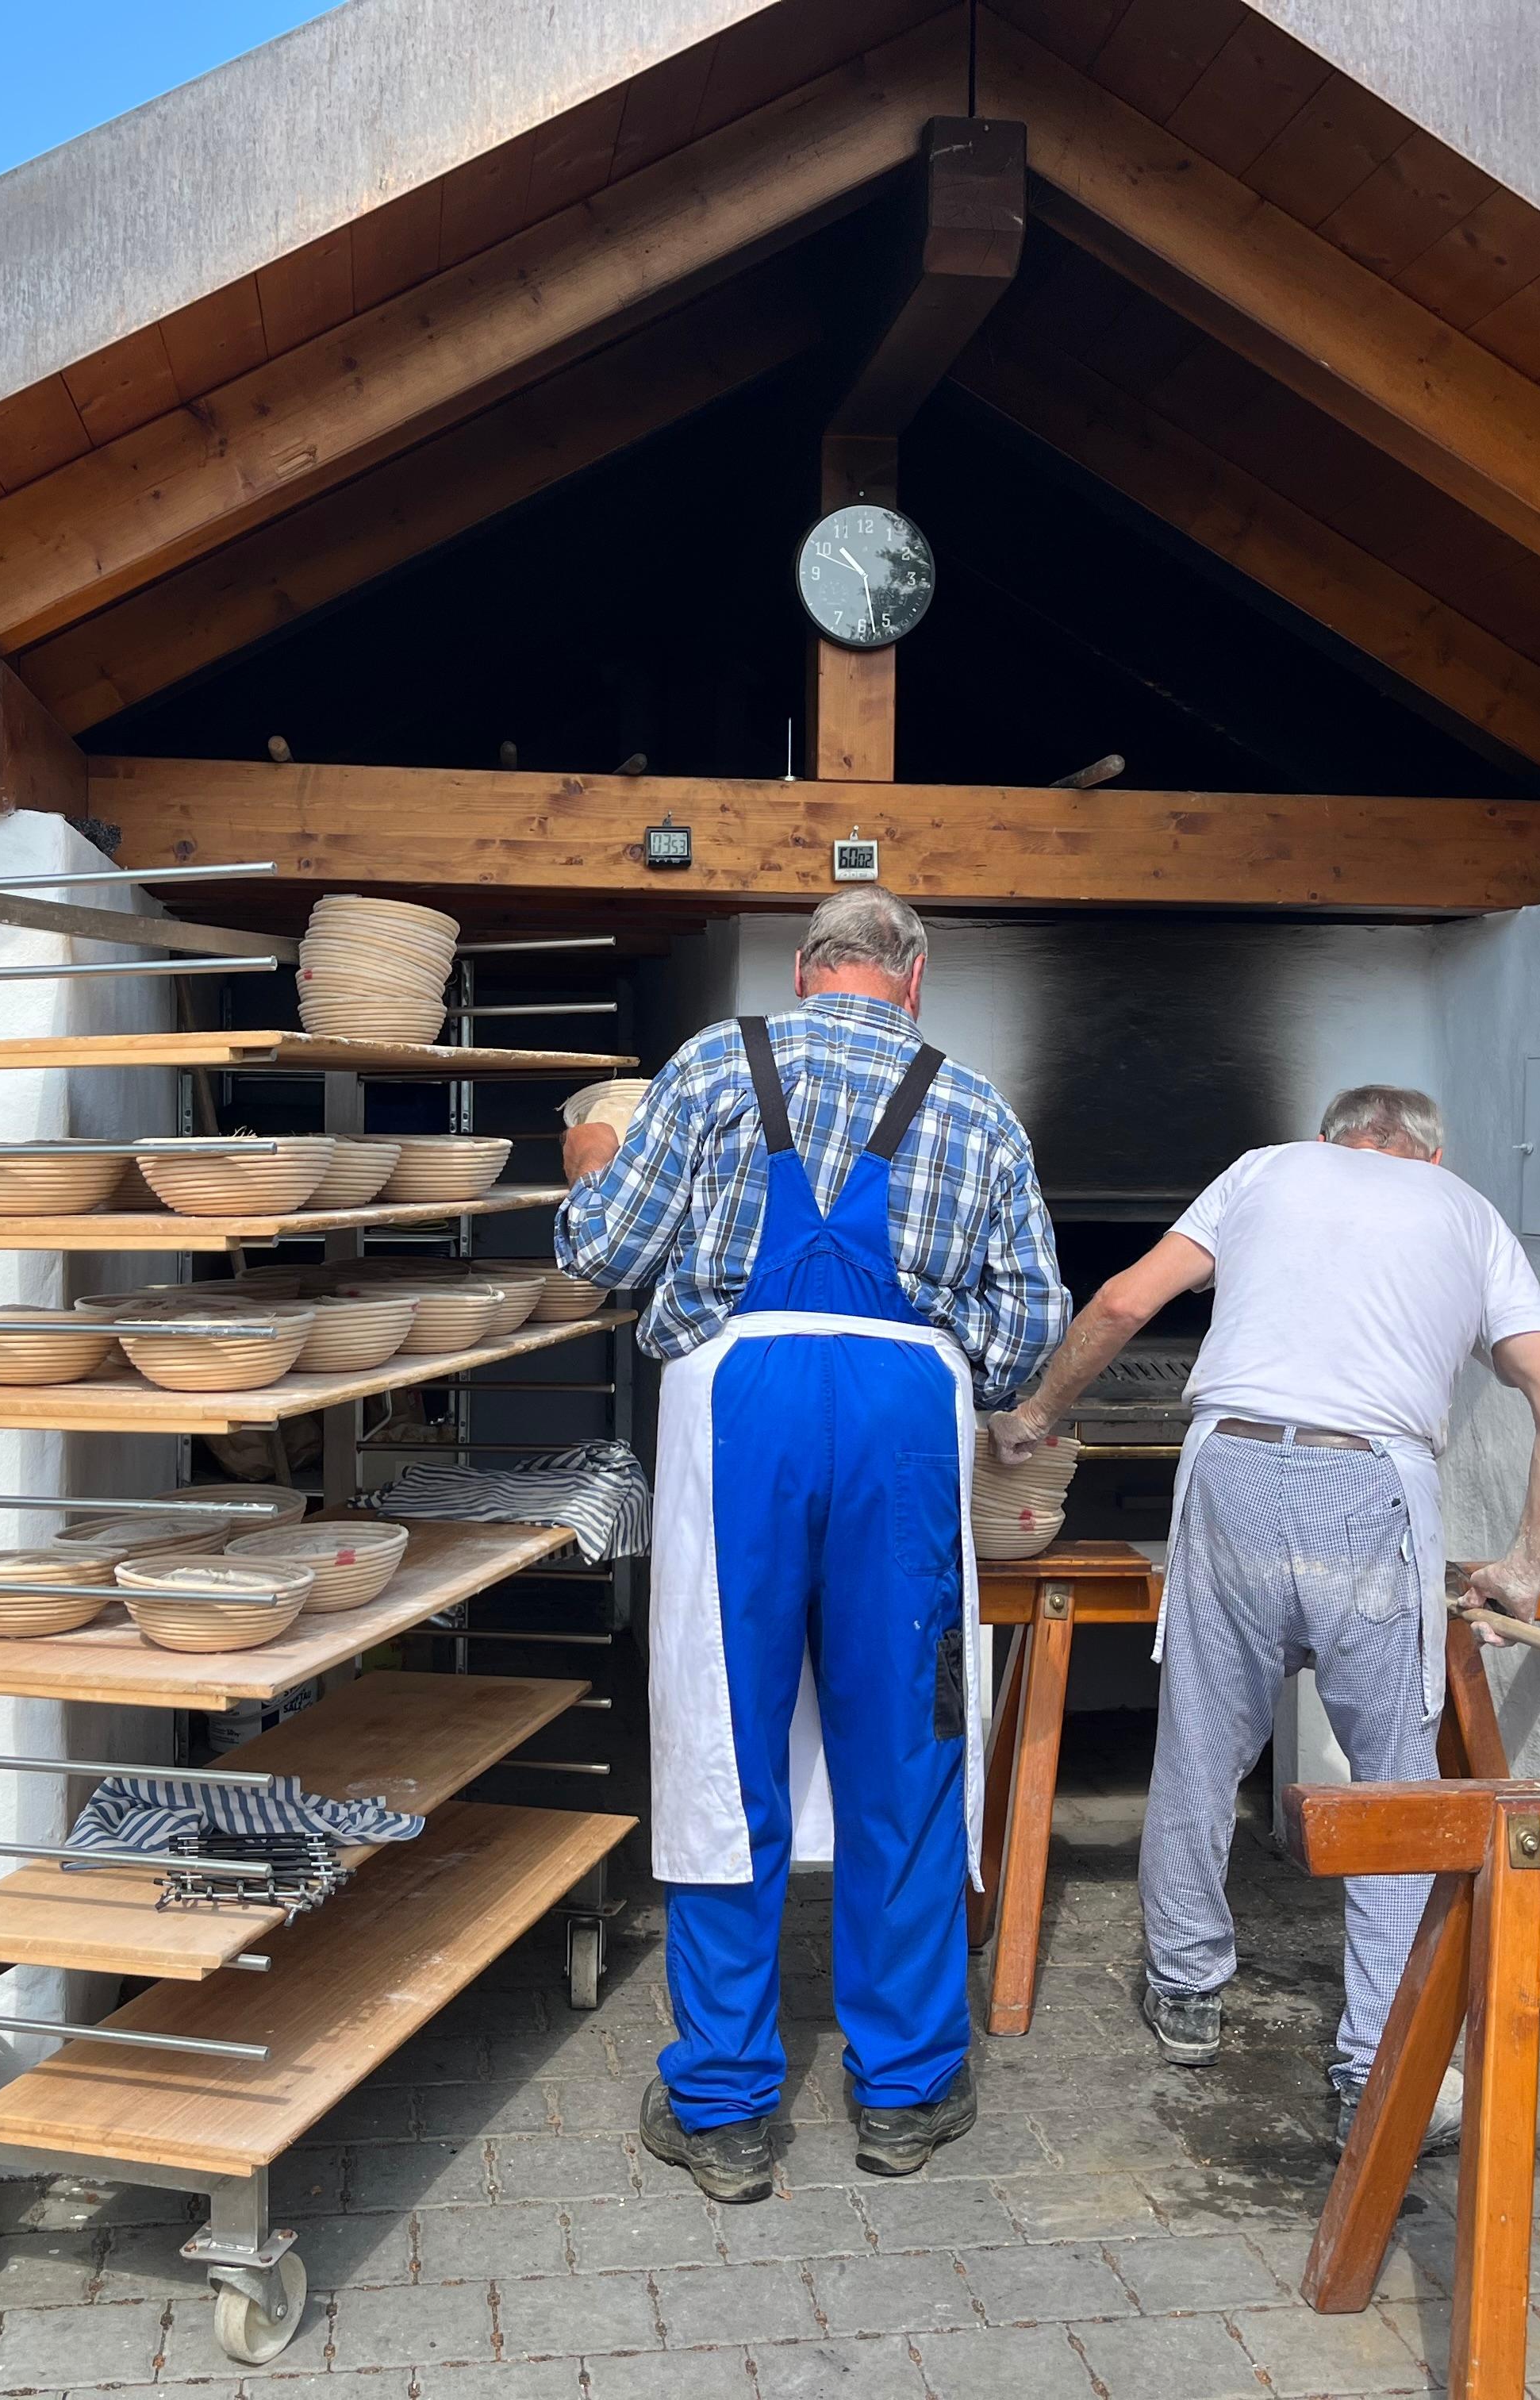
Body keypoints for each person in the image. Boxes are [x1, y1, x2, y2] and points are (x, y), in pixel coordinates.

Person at [556, 887, 1067, 2202]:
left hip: (741, 1414)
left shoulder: (715, 1063)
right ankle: (901, 2093)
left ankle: (725, 2108)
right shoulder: (978, 1104)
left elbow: (602, 1252)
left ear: (803, 972)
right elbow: (1025, 1331)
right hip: (904, 1421)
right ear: (916, 979)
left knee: (722, 1738)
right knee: (909, 1737)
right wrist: (965, 1376)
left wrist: (587, 1175)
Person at [989, 1084, 1540, 2149]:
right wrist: (1524, 1568)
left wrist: (1037, 1418)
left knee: (1200, 1745)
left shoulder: (1267, 1168)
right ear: (1430, 1152)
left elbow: (1126, 1304)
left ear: (1331, 1138)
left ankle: (1184, 1989)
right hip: (1371, 1487)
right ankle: (1376, 2063)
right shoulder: (1464, 1211)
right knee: (1395, 1783)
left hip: (1230, 1472)